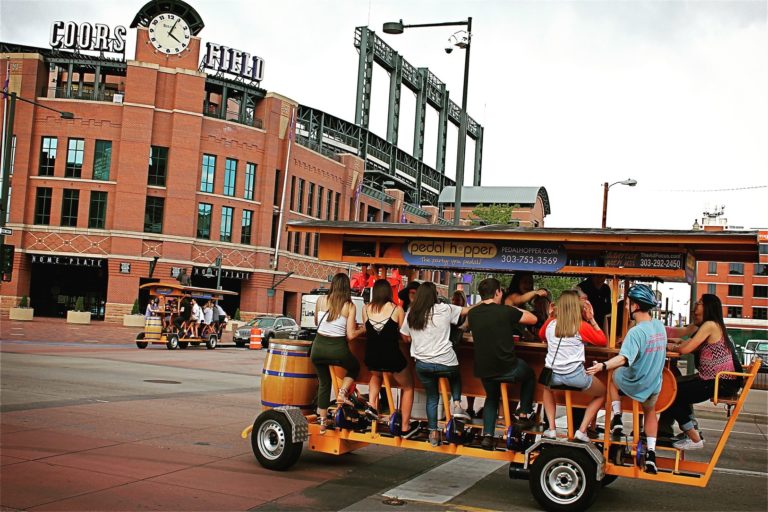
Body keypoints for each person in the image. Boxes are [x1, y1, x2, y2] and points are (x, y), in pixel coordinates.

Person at [587, 284, 667, 474]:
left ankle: (617, 417)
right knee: (650, 412)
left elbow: (623, 359)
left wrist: (603, 365)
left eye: (629, 303)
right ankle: (652, 454)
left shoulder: (636, 333)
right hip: (654, 384)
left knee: (613, 376)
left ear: (636, 306)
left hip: (635, 382)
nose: (627, 306)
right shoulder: (658, 326)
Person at [661, 294, 740, 450]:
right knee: (674, 385)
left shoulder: (710, 325)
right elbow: (689, 343)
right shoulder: (712, 325)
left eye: (700, 303)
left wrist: (669, 346)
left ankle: (694, 437)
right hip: (719, 379)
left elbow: (685, 349)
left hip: (719, 381)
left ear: (708, 307)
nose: (696, 305)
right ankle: (689, 428)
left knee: (669, 392)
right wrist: (675, 343)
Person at [467, 278, 537, 450]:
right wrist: (512, 306)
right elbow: (533, 319)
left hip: (484, 368)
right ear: (498, 292)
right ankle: (523, 415)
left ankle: (488, 436)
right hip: (508, 367)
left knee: (491, 397)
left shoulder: (473, 313)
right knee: (529, 375)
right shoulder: (506, 311)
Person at [400, 282, 472, 446]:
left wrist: (415, 339)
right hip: (446, 362)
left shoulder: (412, 313)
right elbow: (467, 310)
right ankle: (456, 404)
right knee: (455, 375)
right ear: (434, 296)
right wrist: (485, 303)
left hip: (423, 365)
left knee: (432, 397)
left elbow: (404, 336)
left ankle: (433, 432)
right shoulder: (445, 309)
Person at [539, 290, 607, 442]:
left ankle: (551, 429)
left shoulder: (550, 324)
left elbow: (541, 335)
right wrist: (592, 320)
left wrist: (551, 315)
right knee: (602, 392)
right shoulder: (581, 326)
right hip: (575, 377)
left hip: (553, 376)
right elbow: (602, 341)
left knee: (547, 388)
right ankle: (582, 430)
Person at [311, 272, 366, 434]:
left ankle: (322, 422)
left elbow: (316, 322)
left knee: (324, 383)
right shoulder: (349, 306)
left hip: (318, 349)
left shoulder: (321, 300)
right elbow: (350, 335)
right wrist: (363, 329)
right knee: (354, 367)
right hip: (337, 349)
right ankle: (342, 393)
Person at [363, 279, 415, 438]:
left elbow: (367, 329)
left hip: (371, 357)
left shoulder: (366, 309)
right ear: (389, 292)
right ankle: (405, 426)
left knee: (376, 374)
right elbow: (404, 333)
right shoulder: (397, 310)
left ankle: (372, 404)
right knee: (408, 387)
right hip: (391, 357)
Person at [450, 289, 476, 416]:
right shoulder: (449, 312)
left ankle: (470, 407)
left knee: (470, 377)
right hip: (454, 348)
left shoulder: (467, 314)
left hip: (465, 348)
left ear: (463, 301)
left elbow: (466, 328)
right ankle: (454, 405)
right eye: (454, 299)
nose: (455, 301)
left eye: (458, 299)